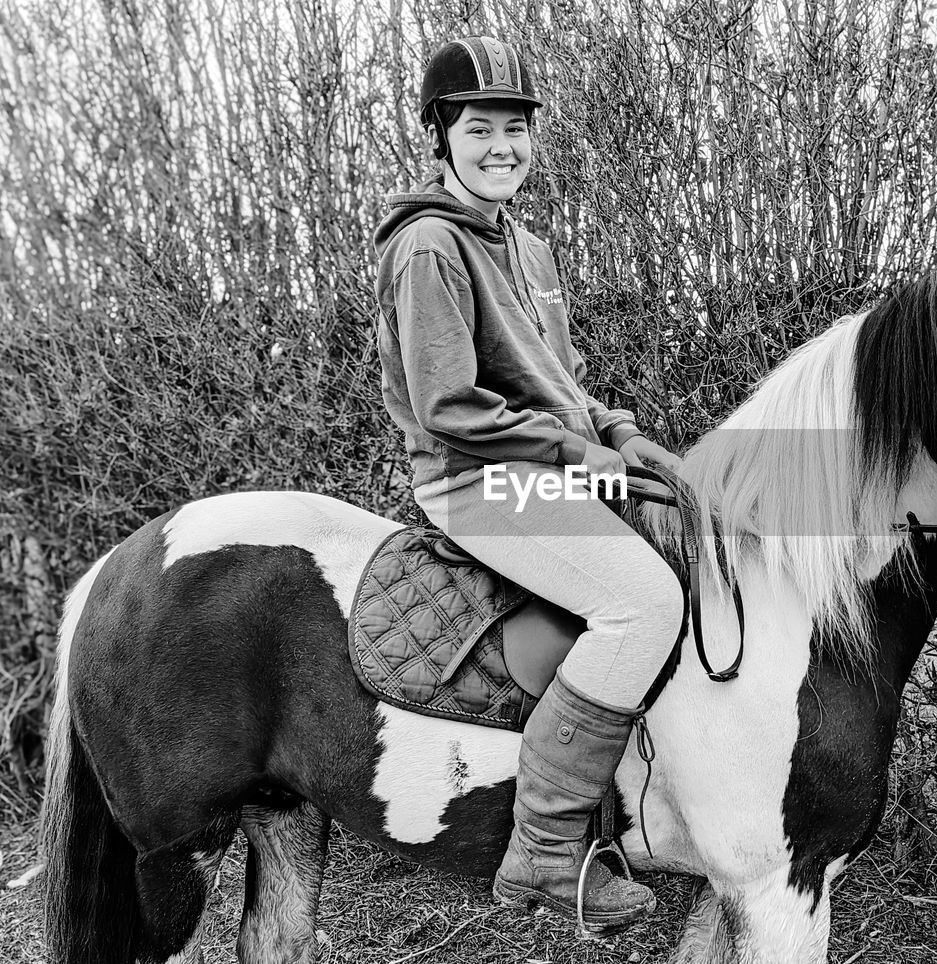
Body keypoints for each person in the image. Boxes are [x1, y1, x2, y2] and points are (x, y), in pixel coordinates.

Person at [372, 36, 685, 932]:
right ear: (441, 134)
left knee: (695, 539)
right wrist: (566, 452)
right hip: (475, 484)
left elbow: (564, 382)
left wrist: (623, 435)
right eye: (480, 127)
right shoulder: (430, 245)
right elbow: (446, 407)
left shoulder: (533, 250)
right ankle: (546, 856)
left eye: (517, 127)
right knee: (643, 604)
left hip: (544, 465)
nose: (502, 144)